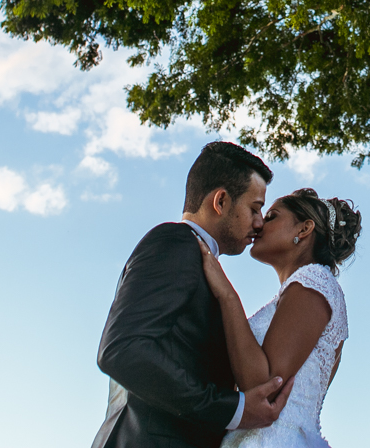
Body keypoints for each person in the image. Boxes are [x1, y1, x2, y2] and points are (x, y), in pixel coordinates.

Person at [91, 142, 294, 448]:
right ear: (221, 201)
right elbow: (124, 349)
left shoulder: (198, 260)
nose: (258, 222)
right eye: (254, 207)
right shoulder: (175, 243)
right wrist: (233, 409)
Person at [198, 188, 362, 448]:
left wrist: (227, 296)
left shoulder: (315, 282)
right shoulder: (303, 292)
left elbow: (265, 388)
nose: (260, 222)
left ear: (304, 229)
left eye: (272, 216)